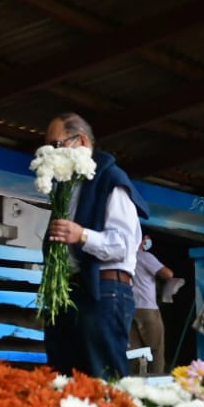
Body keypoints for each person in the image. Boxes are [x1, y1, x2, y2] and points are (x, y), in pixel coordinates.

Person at [41, 113, 149, 378]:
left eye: (57, 145)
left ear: (81, 141)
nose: (51, 154)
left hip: (104, 291)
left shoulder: (111, 179)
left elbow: (125, 245)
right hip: (69, 292)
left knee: (102, 379)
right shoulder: (66, 187)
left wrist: (83, 236)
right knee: (63, 379)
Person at [129, 228, 174, 374]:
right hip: (147, 309)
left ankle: (132, 384)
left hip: (130, 308)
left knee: (134, 352)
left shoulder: (126, 256)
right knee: (156, 351)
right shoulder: (145, 256)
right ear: (143, 239)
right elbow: (168, 273)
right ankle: (157, 385)